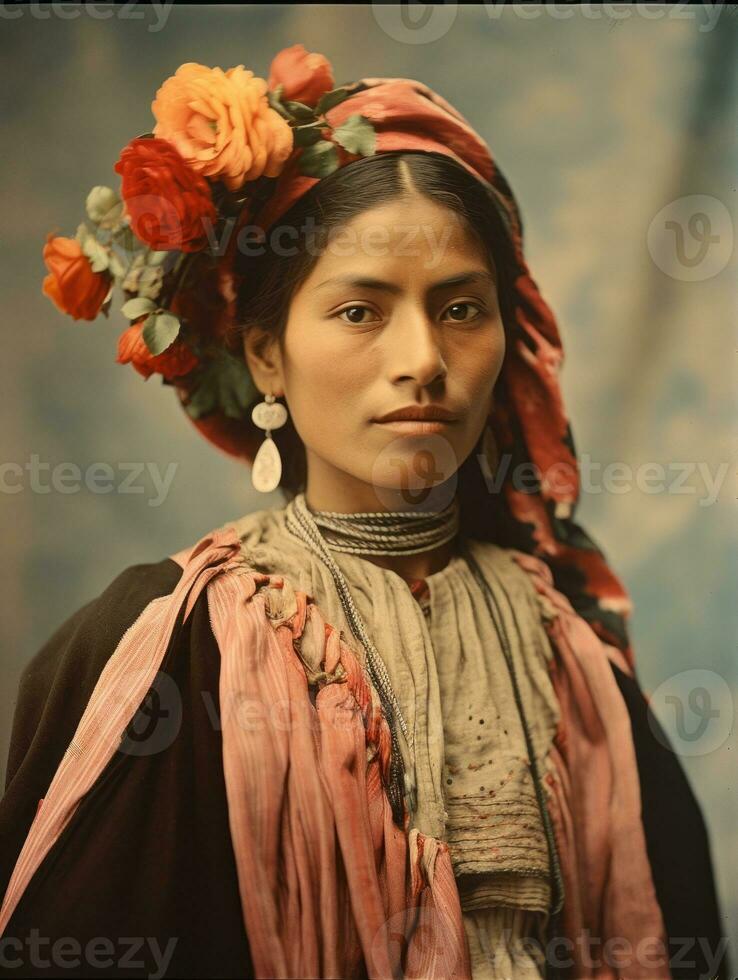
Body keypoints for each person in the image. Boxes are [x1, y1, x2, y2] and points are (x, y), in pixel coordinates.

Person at [0, 46, 730, 980]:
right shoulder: (161, 655)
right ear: (267, 356)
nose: (423, 357)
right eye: (360, 311)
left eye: (462, 309)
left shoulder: (573, 662)